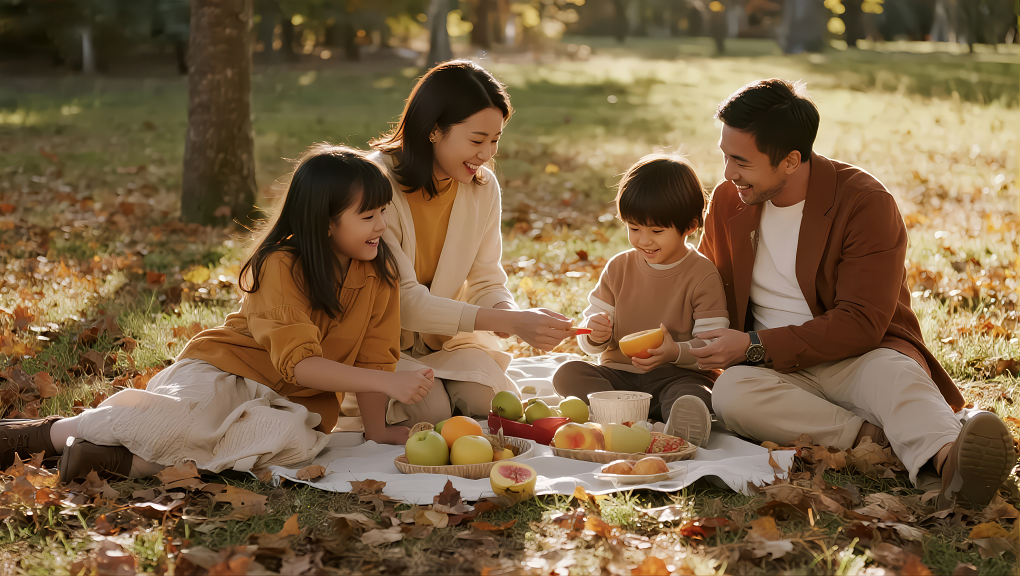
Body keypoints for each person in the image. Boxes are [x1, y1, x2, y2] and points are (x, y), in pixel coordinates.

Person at [0, 145, 435, 481]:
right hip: (228, 371)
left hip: (294, 403)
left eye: (382, 213)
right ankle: (51, 434)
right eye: (367, 216)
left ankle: (127, 462)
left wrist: (376, 430)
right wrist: (387, 382)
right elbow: (300, 364)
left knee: (294, 443)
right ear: (325, 222)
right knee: (192, 416)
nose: (381, 226)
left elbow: (375, 359)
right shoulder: (281, 266)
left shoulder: (381, 277)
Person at [689, 78, 1017, 509]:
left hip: (857, 355)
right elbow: (703, 286)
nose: (728, 174)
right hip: (768, 368)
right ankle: (878, 439)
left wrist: (753, 344)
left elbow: (861, 322)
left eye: (741, 161)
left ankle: (949, 462)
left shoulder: (864, 202)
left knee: (896, 379)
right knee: (731, 395)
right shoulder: (730, 201)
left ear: (790, 160)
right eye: (725, 156)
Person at [364, 60, 575, 427]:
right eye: (477, 140)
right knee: (428, 412)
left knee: (487, 399)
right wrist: (507, 318)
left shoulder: (482, 187)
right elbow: (405, 303)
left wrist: (508, 316)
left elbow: (486, 279)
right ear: (432, 130)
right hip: (377, 341)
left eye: (495, 140)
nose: (487, 154)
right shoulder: (375, 183)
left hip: (442, 341)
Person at [552, 154, 729, 447]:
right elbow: (589, 336)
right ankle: (630, 418)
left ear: (690, 225)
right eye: (634, 228)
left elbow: (711, 345)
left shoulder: (702, 275)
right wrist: (595, 334)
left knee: (695, 395)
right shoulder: (618, 268)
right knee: (568, 374)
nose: (644, 240)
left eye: (657, 231)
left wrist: (674, 351)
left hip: (675, 377)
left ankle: (669, 424)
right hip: (619, 378)